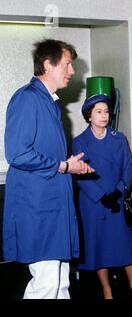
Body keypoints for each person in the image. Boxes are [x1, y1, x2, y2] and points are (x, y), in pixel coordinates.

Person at [3, 39, 94, 299]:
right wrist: (64, 165)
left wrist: (69, 165)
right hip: (38, 207)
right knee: (45, 284)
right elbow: (17, 153)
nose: (72, 71)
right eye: (67, 64)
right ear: (47, 64)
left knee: (60, 282)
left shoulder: (49, 102)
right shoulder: (27, 99)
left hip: (52, 206)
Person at [72, 94, 132, 299]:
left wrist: (120, 192)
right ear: (89, 116)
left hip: (118, 199)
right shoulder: (80, 142)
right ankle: (107, 289)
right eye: (98, 112)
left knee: (125, 245)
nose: (104, 116)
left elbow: (127, 167)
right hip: (94, 203)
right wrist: (102, 197)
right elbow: (80, 175)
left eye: (106, 111)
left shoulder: (119, 138)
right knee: (99, 247)